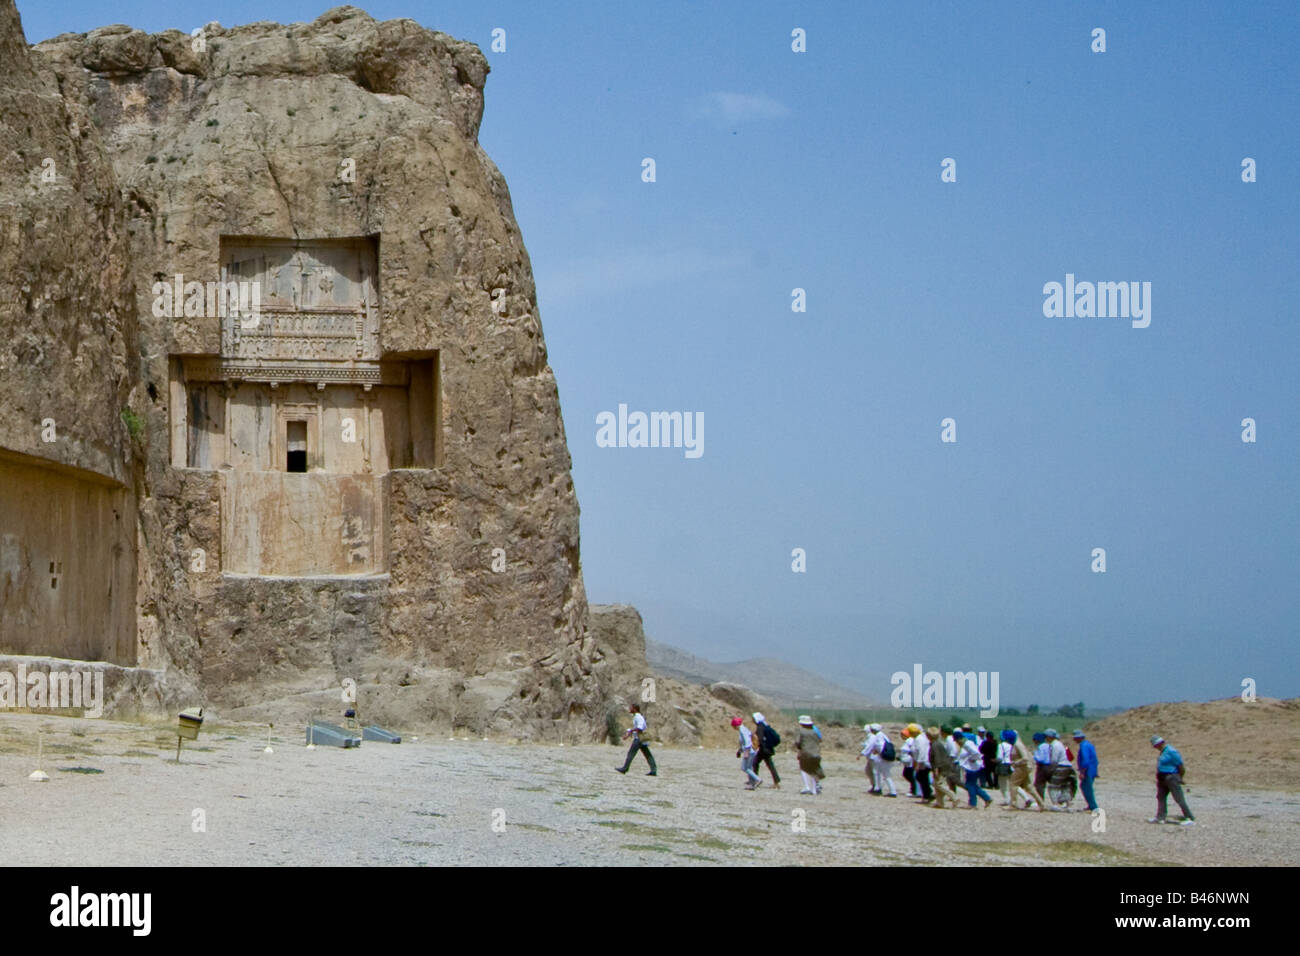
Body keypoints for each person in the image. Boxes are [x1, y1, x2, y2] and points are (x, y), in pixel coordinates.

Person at [1149, 735, 1194, 825]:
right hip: (1162, 778)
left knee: (1179, 798)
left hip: (1171, 777)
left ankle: (1189, 817)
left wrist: (1180, 778)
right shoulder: (1163, 752)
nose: (1156, 747)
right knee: (1160, 797)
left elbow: (1181, 766)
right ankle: (1160, 817)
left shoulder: (1171, 751)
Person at [1005, 729, 1045, 810]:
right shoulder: (1017, 744)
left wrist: (1016, 763)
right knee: (1029, 787)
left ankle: (1013, 804)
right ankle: (1041, 803)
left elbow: (1025, 758)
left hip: (1021, 768)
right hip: (1024, 768)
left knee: (1013, 784)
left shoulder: (1018, 745)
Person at [615, 703, 657, 776]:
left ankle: (625, 768)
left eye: (631, 708)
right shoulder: (637, 717)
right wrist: (629, 733)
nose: (629, 709)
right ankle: (653, 770)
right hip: (639, 738)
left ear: (634, 709)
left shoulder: (638, 717)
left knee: (631, 753)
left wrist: (630, 731)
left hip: (638, 739)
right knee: (648, 755)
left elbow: (640, 728)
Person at [926, 726, 961, 809]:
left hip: (941, 767)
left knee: (938, 784)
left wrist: (936, 770)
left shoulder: (935, 745)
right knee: (937, 784)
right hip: (943, 766)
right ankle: (940, 802)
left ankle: (954, 797)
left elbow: (937, 758)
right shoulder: (937, 743)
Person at [955, 731, 993, 808]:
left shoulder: (967, 744)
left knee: (970, 785)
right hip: (973, 767)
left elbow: (977, 754)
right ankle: (987, 798)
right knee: (973, 785)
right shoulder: (967, 744)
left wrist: (973, 759)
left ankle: (972, 803)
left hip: (973, 767)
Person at [794, 715, 824, 794]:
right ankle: (814, 789)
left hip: (806, 754)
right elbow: (820, 740)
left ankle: (807, 787)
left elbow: (797, 742)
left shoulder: (801, 731)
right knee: (813, 771)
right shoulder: (814, 731)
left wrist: (799, 748)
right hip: (816, 754)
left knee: (804, 769)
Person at [865, 723, 897, 797]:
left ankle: (891, 791)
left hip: (882, 759)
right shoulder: (883, 736)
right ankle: (880, 788)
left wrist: (875, 751)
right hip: (885, 758)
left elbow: (880, 747)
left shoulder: (878, 736)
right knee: (882, 774)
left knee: (882, 774)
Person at [752, 712, 781, 788]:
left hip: (763, 750)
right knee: (770, 765)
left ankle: (755, 779)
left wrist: (758, 746)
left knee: (755, 763)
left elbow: (760, 738)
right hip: (768, 749)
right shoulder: (765, 725)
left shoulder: (760, 727)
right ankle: (776, 782)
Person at [1072, 730, 1099, 811]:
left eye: (1075, 738)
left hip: (1087, 770)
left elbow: (1085, 760)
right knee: (1086, 787)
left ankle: (1093, 807)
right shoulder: (1089, 745)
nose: (1074, 740)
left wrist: (1082, 772)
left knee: (1086, 788)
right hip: (1092, 770)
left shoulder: (1083, 746)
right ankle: (1091, 805)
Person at [733, 717, 762, 789]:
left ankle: (758, 779)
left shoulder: (742, 731)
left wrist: (746, 752)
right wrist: (739, 751)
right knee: (749, 768)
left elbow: (747, 742)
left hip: (749, 751)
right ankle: (752, 783)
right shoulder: (744, 729)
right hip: (751, 751)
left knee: (744, 768)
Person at [911, 722, 934, 801]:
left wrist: (918, 763)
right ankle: (927, 794)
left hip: (924, 762)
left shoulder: (920, 739)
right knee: (922, 777)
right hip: (923, 761)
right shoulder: (919, 738)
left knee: (921, 777)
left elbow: (922, 752)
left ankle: (927, 795)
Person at [995, 730, 1015, 805]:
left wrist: (995, 760)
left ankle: (1007, 800)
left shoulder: (1001, 745)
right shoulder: (1011, 746)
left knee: (1002, 784)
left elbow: (999, 757)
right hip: (1009, 764)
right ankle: (1026, 798)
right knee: (1013, 783)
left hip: (1002, 765)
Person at [1031, 732, 1052, 798]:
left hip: (1042, 767)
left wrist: (1034, 755)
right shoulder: (1049, 745)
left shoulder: (1040, 747)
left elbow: (1041, 759)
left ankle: (1040, 800)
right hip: (1050, 766)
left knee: (1039, 785)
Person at [900, 728, 919, 796]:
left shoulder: (910, 740)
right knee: (907, 774)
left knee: (909, 775)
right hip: (907, 762)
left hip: (910, 761)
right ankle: (913, 788)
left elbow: (913, 750)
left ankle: (914, 789)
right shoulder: (907, 741)